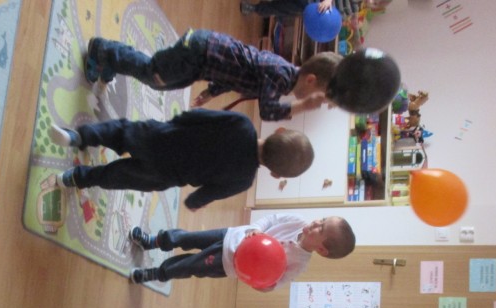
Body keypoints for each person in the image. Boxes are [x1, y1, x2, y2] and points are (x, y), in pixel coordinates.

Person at [50, 111, 313, 210]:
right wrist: (193, 203)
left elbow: (199, 116)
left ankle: (79, 136)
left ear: (278, 130)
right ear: (276, 174)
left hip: (162, 138)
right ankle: (76, 178)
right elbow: (205, 194)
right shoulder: (243, 180)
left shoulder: (243, 124)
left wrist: (175, 123)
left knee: (119, 132)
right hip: (165, 173)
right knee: (118, 177)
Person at [83, 29, 341, 122]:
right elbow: (267, 111)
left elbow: (239, 74)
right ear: (310, 80)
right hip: (199, 52)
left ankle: (113, 61)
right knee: (154, 74)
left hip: (204, 62)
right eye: (317, 94)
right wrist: (305, 106)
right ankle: (102, 50)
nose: (315, 100)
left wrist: (212, 91)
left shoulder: (283, 81)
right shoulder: (281, 77)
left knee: (160, 82)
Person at [127, 213, 355, 286]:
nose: (316, 223)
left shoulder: (299, 264)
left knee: (189, 266)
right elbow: (271, 219)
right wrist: (256, 229)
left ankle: (157, 273)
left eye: (321, 228)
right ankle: (153, 241)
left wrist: (261, 283)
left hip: (228, 263)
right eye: (321, 219)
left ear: (322, 250)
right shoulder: (297, 221)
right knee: (187, 238)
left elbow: (275, 283)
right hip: (231, 235)